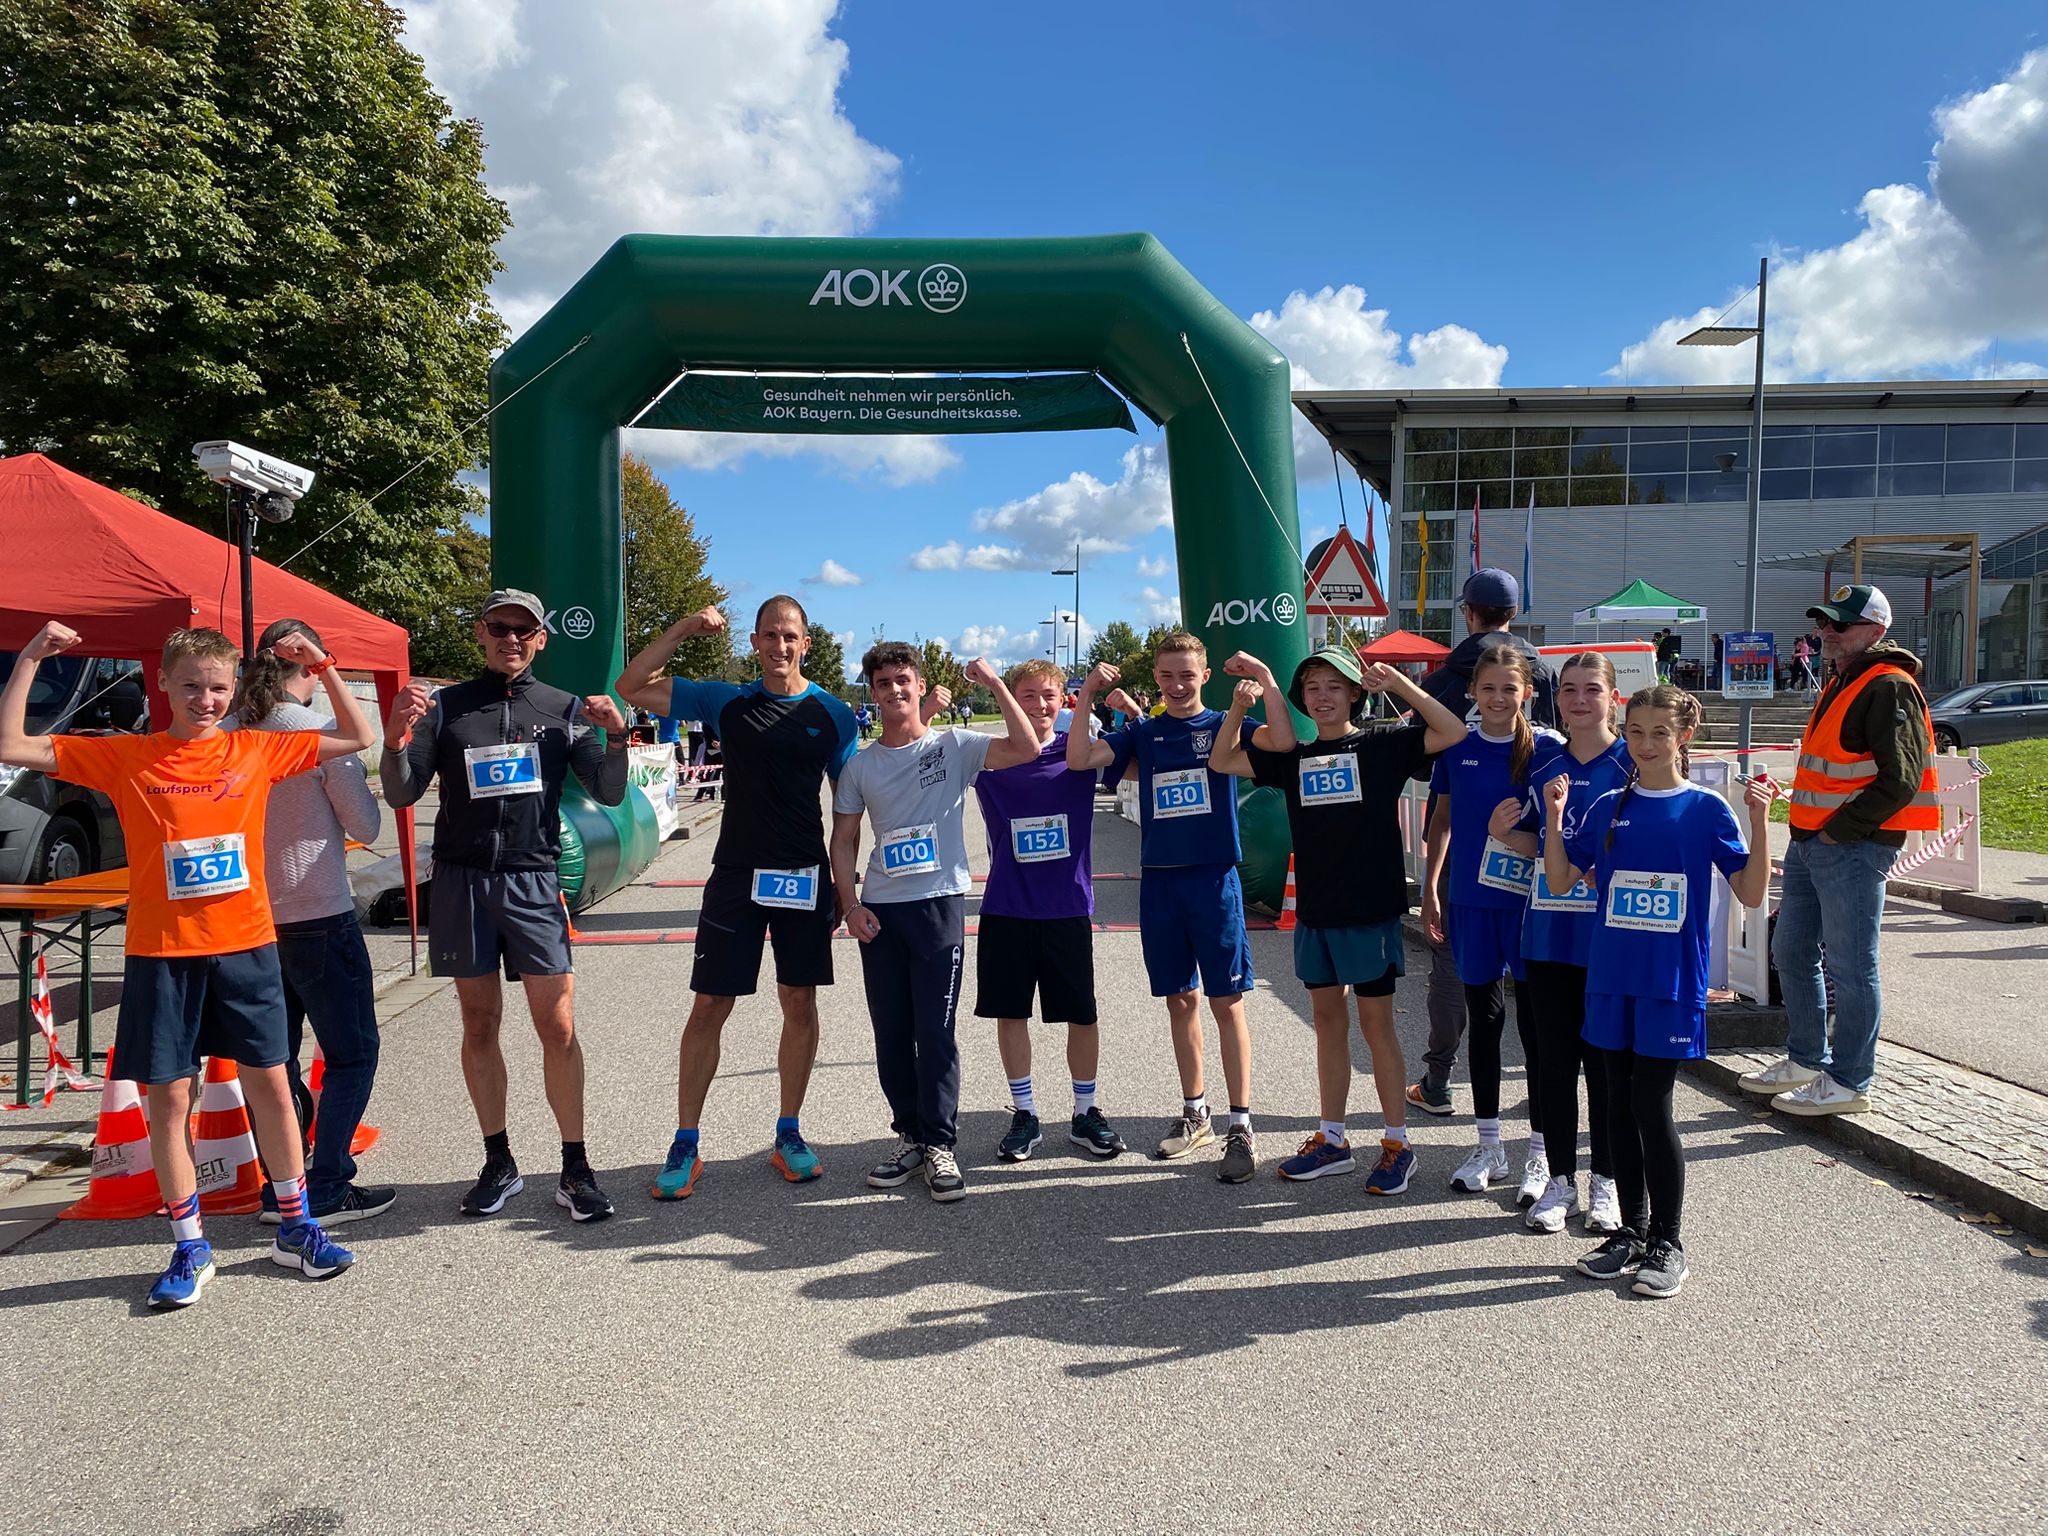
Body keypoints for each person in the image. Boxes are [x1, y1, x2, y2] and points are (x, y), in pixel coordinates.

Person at [1, 621, 376, 1308]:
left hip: (246, 946)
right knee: (170, 1098)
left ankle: (296, 1227)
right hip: (163, 954)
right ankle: (190, 1243)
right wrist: (29, 658)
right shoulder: (129, 755)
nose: (206, 699)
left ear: (235, 691)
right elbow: (12, 746)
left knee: (270, 1080)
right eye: (194, 686)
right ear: (166, 685)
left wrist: (322, 667)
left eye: (219, 688)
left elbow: (357, 739)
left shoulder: (254, 748)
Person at [381, 588, 629, 1223]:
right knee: (479, 1024)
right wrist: (393, 739)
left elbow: (606, 788)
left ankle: (575, 1168)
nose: (511, 638)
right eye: (500, 627)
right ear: (480, 633)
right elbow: (403, 793)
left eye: (524, 629)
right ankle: (499, 1161)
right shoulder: (446, 708)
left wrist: (619, 737)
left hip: (532, 880)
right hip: (462, 882)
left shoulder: (566, 709)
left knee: (558, 1026)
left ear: (542, 637)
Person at [615, 596, 857, 1198]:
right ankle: (686, 1141)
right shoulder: (726, 700)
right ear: (755, 642)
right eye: (770, 636)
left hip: (803, 876)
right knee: (709, 1006)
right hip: (736, 876)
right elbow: (629, 683)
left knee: (798, 1003)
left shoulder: (834, 714)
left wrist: (844, 890)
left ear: (807, 643)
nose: (781, 646)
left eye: (791, 636)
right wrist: (684, 625)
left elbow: (848, 814)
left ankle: (789, 1133)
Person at [1543, 685, 1773, 1297]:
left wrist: (1759, 821)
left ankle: (1669, 1242)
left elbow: (1750, 893)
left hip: (1670, 982)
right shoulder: (1608, 807)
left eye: (1659, 734)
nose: (1645, 745)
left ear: (1684, 738)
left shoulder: (1704, 808)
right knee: (1615, 1103)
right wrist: (1556, 818)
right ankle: (1631, 1232)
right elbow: (1562, 878)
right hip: (1611, 978)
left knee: (1651, 1104)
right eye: (1636, 731)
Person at [1209, 647, 1466, 1194]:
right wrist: (1248, 695)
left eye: (1334, 686)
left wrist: (1399, 682)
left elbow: (1451, 731)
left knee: (1377, 1028)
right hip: (1317, 915)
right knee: (1327, 1022)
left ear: (1355, 693)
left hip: (1369, 913)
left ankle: (1397, 1144)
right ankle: (1333, 1140)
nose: (1322, 696)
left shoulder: (1383, 745)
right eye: (1312, 688)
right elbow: (1223, 760)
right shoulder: (1296, 756)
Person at [831, 645, 1038, 1202]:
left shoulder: (953, 746)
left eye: (902, 680)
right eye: (882, 683)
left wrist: (994, 683)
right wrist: (850, 905)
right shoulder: (860, 765)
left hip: (938, 907)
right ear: (871, 694)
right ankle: (912, 1138)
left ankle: (942, 1143)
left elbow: (1026, 747)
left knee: (935, 1032)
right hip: (880, 910)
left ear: (920, 687)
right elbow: (845, 840)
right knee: (892, 1035)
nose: (894, 691)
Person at [1067, 634, 1260, 1182]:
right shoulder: (1143, 734)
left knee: (1227, 1002)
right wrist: (1086, 697)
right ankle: (1195, 1112)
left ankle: (1241, 1124)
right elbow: (1081, 758)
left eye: (1187, 675)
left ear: (1204, 677)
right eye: (1167, 677)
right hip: (1160, 883)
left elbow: (1283, 742)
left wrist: (1264, 684)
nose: (1177, 686)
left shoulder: (1227, 722)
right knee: (1180, 1001)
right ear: (1157, 679)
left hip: (1213, 880)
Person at [1741, 584, 1936, 1117]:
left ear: (1876, 631)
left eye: (1840, 624)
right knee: (1793, 952)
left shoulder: (1887, 685)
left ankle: (1850, 1081)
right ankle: (1807, 1060)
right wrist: (1816, 832)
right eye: (1824, 622)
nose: (1827, 631)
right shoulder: (1846, 680)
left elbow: (1901, 780)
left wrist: (1837, 830)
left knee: (1852, 967)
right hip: (1814, 843)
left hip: (1849, 846)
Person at [226, 619, 392, 1225]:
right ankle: (326, 1184)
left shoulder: (226, 731)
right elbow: (366, 826)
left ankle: (281, 1184)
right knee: (352, 1054)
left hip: (246, 921)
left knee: (273, 1061)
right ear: (313, 668)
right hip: (317, 912)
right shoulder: (315, 732)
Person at [1408, 568, 1555, 1123]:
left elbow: (1424, 761)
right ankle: (1533, 1105)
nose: (1496, 697)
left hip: (1476, 850)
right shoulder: (1538, 669)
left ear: (1468, 613)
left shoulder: (1449, 675)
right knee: (1521, 984)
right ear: (1513, 615)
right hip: (1535, 855)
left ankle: (1439, 1077)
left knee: (1455, 964)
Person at [1493, 652, 1631, 1235]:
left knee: (1603, 1067)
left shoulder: (1632, 760)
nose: (1578, 701)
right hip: (1547, 936)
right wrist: (1506, 835)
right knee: (1552, 1064)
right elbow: (1540, 850)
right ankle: (1559, 1181)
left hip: (1608, 940)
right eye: (1569, 690)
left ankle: (1606, 1181)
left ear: (1613, 698)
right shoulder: (1543, 761)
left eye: (1591, 690)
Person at [974, 658, 1126, 1162]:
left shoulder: (1079, 756)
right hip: (1007, 909)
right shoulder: (988, 760)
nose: (1039, 705)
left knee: (1080, 1014)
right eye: (1029, 695)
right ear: (1013, 700)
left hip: (1066, 908)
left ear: (1063, 701)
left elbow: (1148, 745)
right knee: (1011, 1013)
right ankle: (1025, 1113)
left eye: (1049, 696)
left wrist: (1118, 704)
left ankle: (1085, 1111)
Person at [1421, 646, 1558, 1200]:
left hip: (1531, 905)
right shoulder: (1458, 747)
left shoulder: (1549, 750)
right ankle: (1488, 1145)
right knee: (1485, 1021)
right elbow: (1443, 820)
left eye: (1510, 688)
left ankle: (1542, 1154)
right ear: (1473, 693)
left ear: (1527, 691)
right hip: (1473, 904)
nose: (1499, 699)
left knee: (1536, 1029)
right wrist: (1432, 886)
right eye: (1488, 689)